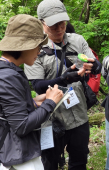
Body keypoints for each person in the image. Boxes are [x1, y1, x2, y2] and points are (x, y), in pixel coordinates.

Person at [24, 0, 102, 169]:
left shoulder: (77, 40)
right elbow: (38, 86)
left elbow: (96, 65)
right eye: (54, 25)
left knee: (80, 161)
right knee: (50, 163)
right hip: (50, 120)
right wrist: (65, 79)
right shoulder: (34, 48)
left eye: (62, 23)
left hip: (79, 115)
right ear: (42, 23)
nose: (59, 29)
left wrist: (94, 65)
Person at [0, 14, 63, 170]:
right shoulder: (8, 77)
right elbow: (21, 126)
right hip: (17, 155)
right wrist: (50, 103)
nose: (39, 50)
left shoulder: (8, 72)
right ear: (25, 46)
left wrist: (33, 102)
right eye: (38, 45)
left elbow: (9, 111)